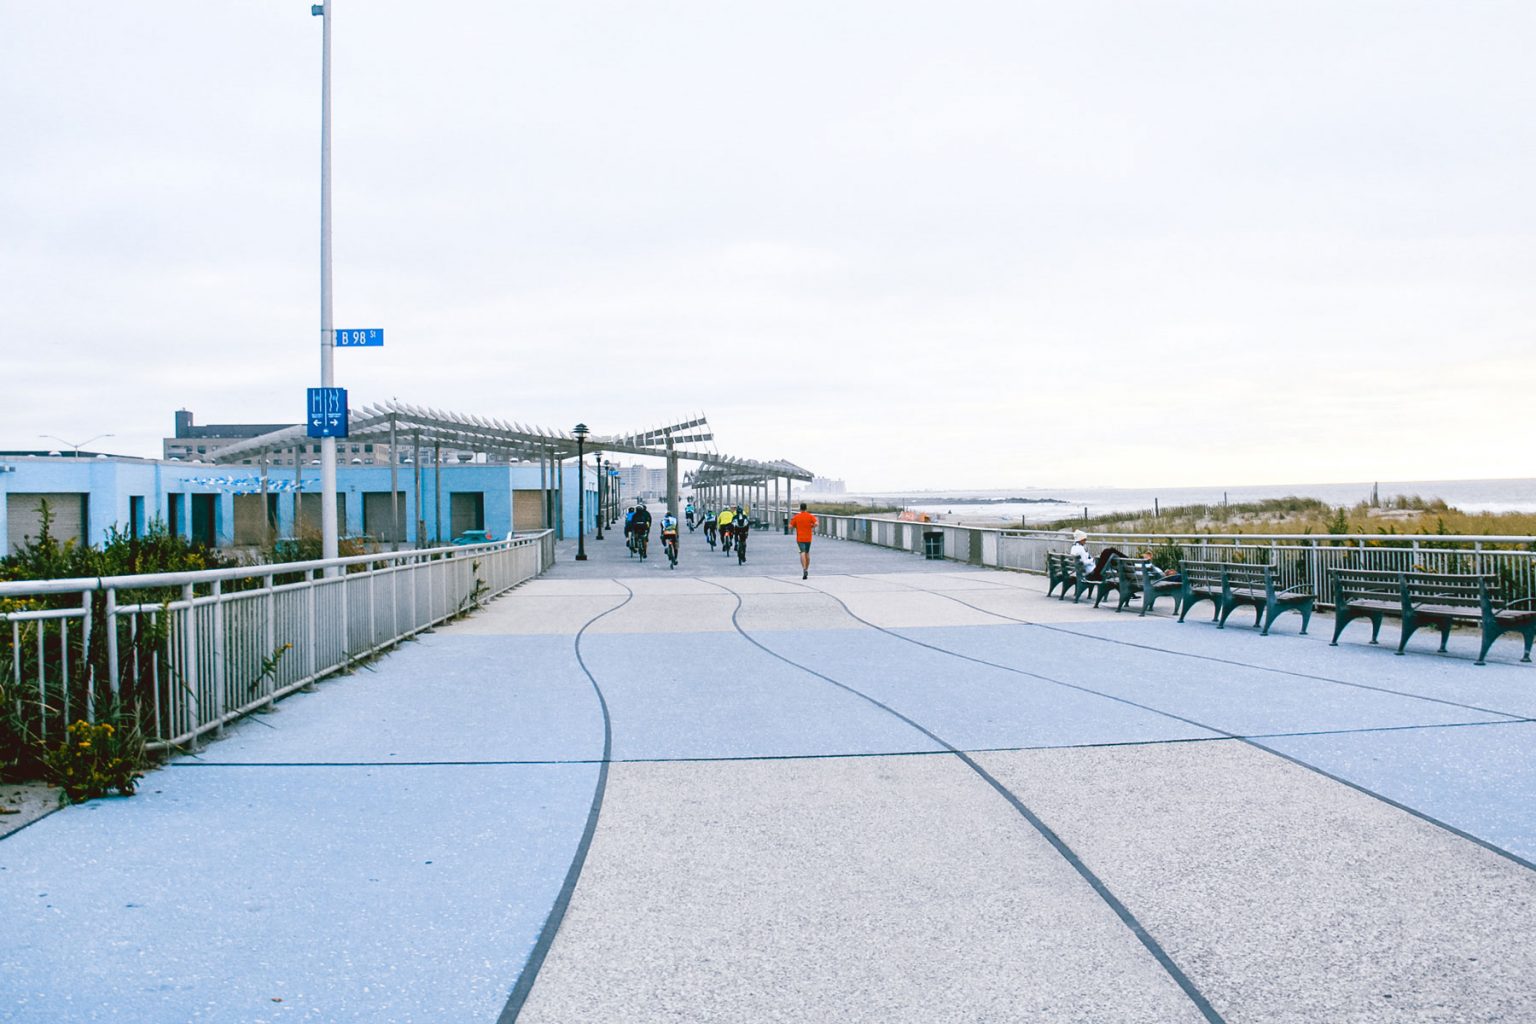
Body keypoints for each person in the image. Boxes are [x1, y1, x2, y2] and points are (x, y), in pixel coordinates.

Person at [788, 502, 818, 579]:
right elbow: (816, 523)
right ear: (806, 508)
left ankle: (804, 569)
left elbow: (790, 526)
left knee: (802, 552)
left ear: (800, 509)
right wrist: (811, 526)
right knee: (807, 553)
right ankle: (807, 569)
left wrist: (796, 526)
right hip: (808, 538)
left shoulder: (796, 517)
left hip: (800, 538)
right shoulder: (810, 516)